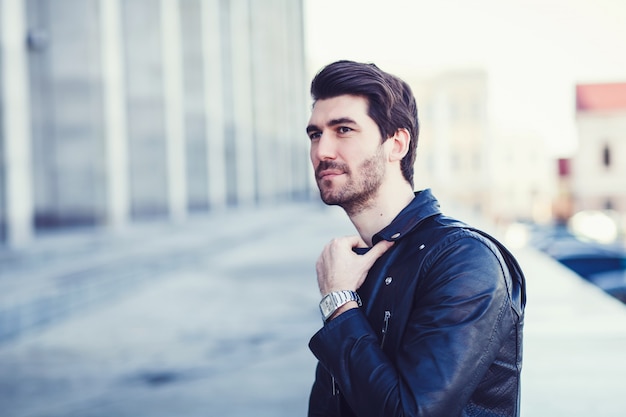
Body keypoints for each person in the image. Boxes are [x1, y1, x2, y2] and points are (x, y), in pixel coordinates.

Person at [305, 60, 526, 417]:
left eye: (343, 130)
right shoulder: (355, 262)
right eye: (315, 134)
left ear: (397, 144)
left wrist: (339, 304)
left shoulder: (464, 260)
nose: (322, 151)